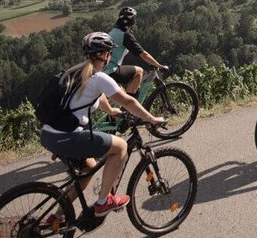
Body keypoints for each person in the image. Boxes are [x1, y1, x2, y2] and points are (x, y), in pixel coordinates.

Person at [39, 32, 165, 220]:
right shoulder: (99, 78)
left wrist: (111, 111)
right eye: (109, 52)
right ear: (105, 55)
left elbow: (99, 95)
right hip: (66, 137)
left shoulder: (76, 72)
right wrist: (151, 119)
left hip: (49, 134)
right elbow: (128, 101)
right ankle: (103, 202)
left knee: (88, 170)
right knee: (120, 147)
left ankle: (57, 217)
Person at [105, 7, 168, 98]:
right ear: (133, 22)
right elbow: (144, 55)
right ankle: (130, 105)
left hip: (102, 69)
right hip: (111, 70)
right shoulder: (125, 34)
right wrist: (159, 66)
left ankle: (124, 104)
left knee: (122, 92)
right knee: (139, 71)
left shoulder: (113, 31)